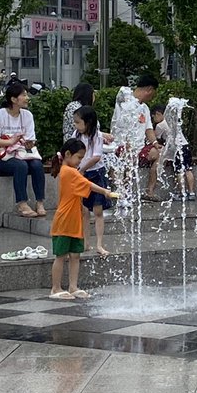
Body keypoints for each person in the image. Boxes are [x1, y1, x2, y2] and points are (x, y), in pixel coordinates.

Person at [50, 138, 116, 301]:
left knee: (75, 255)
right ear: (67, 154)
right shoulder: (68, 171)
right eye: (79, 157)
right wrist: (105, 192)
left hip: (74, 220)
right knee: (61, 255)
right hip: (65, 220)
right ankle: (55, 288)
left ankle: (73, 286)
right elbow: (87, 184)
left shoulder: (68, 170)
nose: (81, 161)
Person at [0, 81, 46, 219]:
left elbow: (30, 139)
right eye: (24, 95)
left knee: (37, 165)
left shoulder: (27, 115)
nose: (27, 98)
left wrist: (28, 143)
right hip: (1, 157)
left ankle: (40, 202)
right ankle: (22, 203)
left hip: (22, 153)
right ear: (13, 99)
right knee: (20, 166)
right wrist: (11, 141)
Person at [74, 106, 110, 256]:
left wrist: (82, 169)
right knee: (83, 211)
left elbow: (96, 157)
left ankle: (99, 244)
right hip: (82, 174)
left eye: (78, 122)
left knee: (97, 210)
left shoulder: (96, 136)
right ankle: (86, 243)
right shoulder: (76, 134)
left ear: (88, 122)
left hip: (95, 173)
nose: (75, 125)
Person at [161, 97, 197, 200]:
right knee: (188, 169)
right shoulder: (178, 121)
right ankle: (191, 192)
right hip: (185, 145)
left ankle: (182, 193)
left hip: (178, 147)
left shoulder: (167, 122)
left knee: (179, 170)